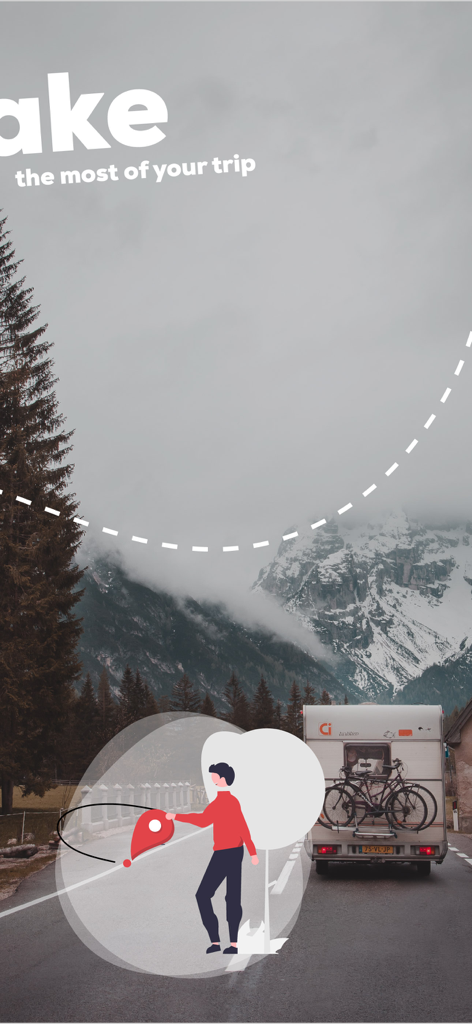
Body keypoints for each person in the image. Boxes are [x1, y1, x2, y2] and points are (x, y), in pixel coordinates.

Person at [166, 761, 258, 954]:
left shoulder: (225, 802)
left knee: (205, 895)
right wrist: (251, 852)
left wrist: (175, 817)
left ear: (222, 779)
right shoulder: (228, 801)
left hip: (226, 853)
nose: (212, 779)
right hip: (235, 852)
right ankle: (228, 944)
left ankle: (220, 943)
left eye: (214, 776)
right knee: (231, 897)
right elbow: (240, 826)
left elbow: (203, 820)